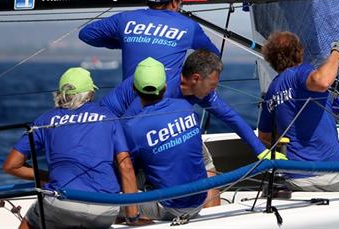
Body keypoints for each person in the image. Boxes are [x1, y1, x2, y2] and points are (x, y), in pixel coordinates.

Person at [101, 50, 269, 206]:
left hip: (158, 128)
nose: (214, 90)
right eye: (212, 86)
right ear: (196, 79)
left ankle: (210, 218)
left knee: (205, 162)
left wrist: (261, 150)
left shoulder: (202, 93)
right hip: (118, 131)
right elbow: (124, 135)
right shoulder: (158, 93)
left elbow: (230, 116)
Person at [2, 67, 143, 228]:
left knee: (31, 219)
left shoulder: (44, 120)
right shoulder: (109, 117)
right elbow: (125, 165)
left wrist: (47, 177)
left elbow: (11, 166)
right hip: (105, 207)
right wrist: (132, 216)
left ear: (60, 94)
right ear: (90, 94)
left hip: (63, 204)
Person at [79, 0, 219, 81]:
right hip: (166, 104)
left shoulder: (124, 19)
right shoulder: (189, 26)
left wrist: (125, 42)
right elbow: (214, 56)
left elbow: (86, 34)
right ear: (176, 1)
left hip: (128, 103)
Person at [258, 32, 339, 192]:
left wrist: (294, 142)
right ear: (299, 52)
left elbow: (264, 137)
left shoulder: (272, 90)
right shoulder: (301, 72)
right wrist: (338, 52)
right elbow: (322, 82)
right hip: (333, 174)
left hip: (297, 178)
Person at [123, 58, 207, 223]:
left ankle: (138, 222)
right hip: (201, 201)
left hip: (169, 208)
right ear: (165, 86)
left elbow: (127, 169)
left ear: (134, 89)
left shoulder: (131, 127)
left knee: (109, 197)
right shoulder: (186, 107)